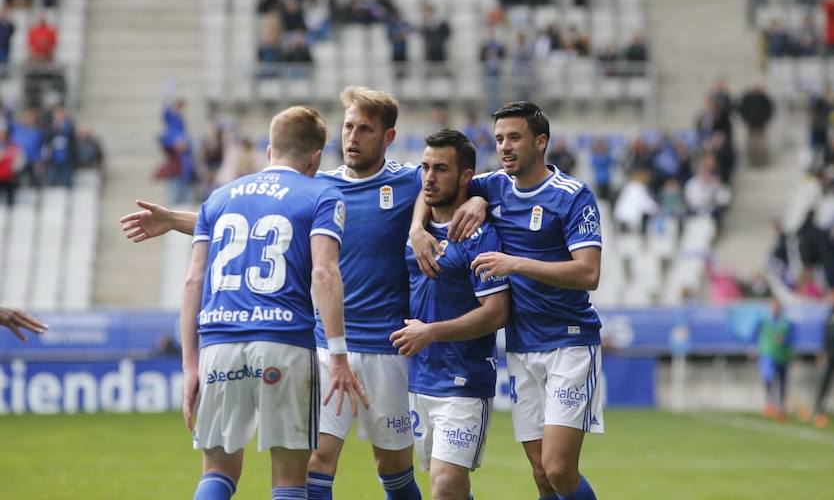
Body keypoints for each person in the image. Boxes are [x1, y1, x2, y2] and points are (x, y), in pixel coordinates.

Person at [120, 87, 424, 500]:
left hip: (387, 348)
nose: (351, 137)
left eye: (364, 130)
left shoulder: (412, 182)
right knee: (312, 464)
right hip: (321, 345)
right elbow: (279, 229)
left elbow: (470, 190)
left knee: (394, 468)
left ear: (387, 137)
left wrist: (445, 216)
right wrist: (174, 218)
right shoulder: (323, 188)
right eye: (348, 127)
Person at [410, 101, 603, 500]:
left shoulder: (572, 196)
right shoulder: (492, 185)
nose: (505, 147)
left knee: (559, 469)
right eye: (499, 139)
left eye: (515, 137)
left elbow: (588, 273)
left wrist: (515, 263)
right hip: (521, 344)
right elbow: (431, 188)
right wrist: (417, 227)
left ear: (541, 142)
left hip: (570, 341)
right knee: (540, 474)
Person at [180, 105, 366, 500]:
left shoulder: (218, 198)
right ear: (316, 157)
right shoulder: (321, 194)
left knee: (217, 470)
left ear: (269, 150)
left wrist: (190, 364)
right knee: (288, 479)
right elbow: (324, 274)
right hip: (283, 342)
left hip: (219, 342)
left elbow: (194, 279)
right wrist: (337, 355)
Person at [391, 130, 510, 500]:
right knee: (447, 488)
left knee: (444, 484)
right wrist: (415, 228)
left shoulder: (480, 236)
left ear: (465, 177)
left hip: (464, 379)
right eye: (425, 167)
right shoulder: (418, 232)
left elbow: (497, 313)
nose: (428, 176)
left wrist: (431, 333)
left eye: (440, 169)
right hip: (419, 378)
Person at [812, 288, 834, 427]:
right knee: (824, 383)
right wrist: (823, 352)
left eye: (833, 297)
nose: (831, 300)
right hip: (830, 356)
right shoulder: (829, 314)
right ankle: (818, 409)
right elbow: (826, 337)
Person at [754, 298, 794, 420]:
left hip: (782, 355)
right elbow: (759, 335)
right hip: (769, 354)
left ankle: (781, 406)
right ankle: (770, 403)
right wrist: (756, 348)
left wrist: (784, 340)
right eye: (773, 307)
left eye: (777, 307)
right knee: (769, 378)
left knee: (782, 381)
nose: (775, 309)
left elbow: (791, 338)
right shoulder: (765, 321)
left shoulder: (786, 322)